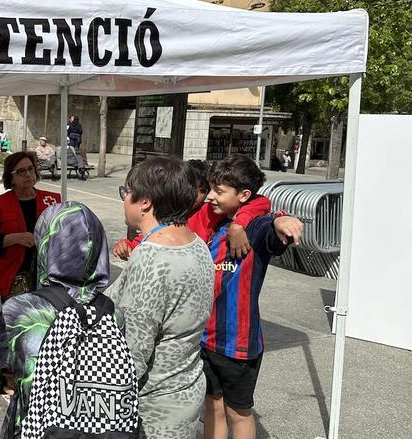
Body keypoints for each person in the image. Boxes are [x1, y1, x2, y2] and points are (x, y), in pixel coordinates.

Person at [0, 201, 116, 439]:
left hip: (34, 427)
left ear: (45, 246)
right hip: (95, 429)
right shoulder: (113, 312)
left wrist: (13, 379)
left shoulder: (21, 311)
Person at [104, 156, 215, 438]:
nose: (124, 198)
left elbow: (133, 353)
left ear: (145, 202)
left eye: (126, 191)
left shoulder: (152, 257)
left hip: (154, 408)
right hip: (187, 388)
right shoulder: (197, 244)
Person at [197, 155, 303, 439]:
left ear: (243, 195)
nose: (210, 197)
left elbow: (269, 227)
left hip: (238, 344)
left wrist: (282, 222)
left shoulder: (252, 229)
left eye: (219, 191)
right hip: (206, 338)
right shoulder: (218, 225)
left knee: (238, 413)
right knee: (213, 405)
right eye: (211, 189)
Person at [113, 159, 272, 261]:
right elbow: (156, 233)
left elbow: (260, 201)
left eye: (202, 190)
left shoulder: (208, 211)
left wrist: (238, 225)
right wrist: (130, 245)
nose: (207, 196)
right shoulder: (172, 209)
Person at [0, 151, 61, 302]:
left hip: (48, 275)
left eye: (31, 169)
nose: (28, 174)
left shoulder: (51, 200)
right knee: (17, 322)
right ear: (10, 178)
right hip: (14, 275)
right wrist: (15, 238)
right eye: (21, 171)